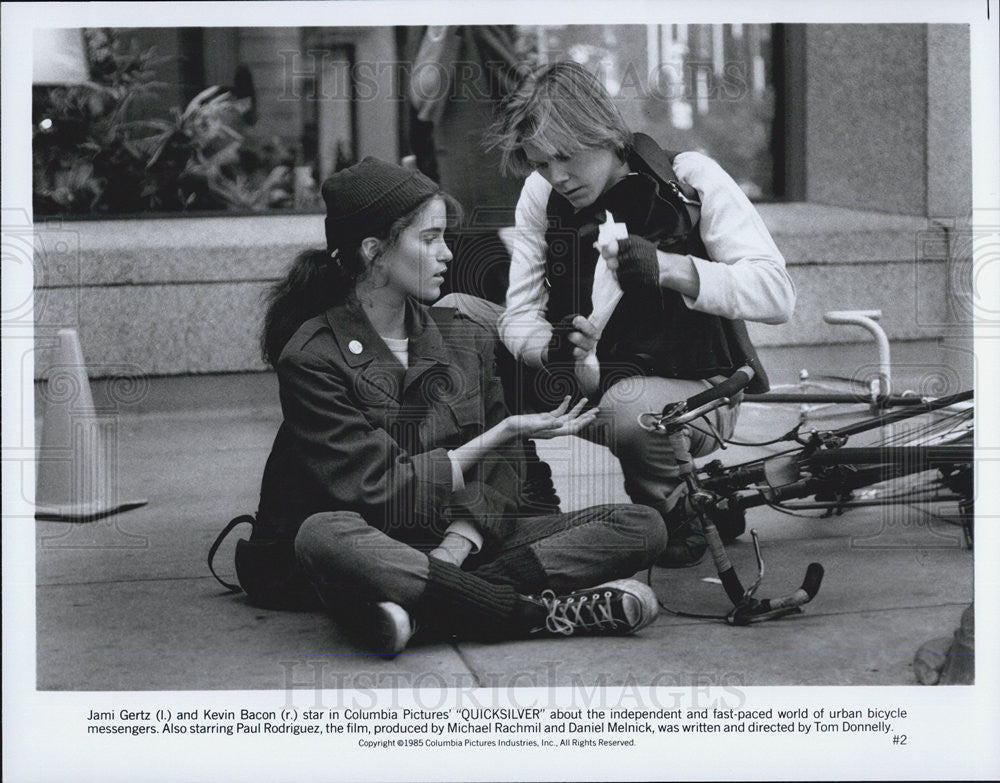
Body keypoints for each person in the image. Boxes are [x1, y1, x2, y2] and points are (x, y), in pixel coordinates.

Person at [244, 157, 666, 656]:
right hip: (371, 541)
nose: (447, 254)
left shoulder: (462, 335)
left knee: (640, 526)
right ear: (374, 252)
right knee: (321, 536)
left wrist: (456, 545)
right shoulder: (312, 356)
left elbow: (503, 473)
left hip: (452, 542)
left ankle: (425, 604)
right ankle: (533, 613)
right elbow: (379, 492)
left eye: (444, 236)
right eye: (429, 239)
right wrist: (501, 432)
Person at [474, 61, 795, 569]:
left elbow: (777, 295)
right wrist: (549, 347)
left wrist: (671, 268)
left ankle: (674, 511)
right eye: (540, 164)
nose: (556, 177)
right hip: (585, 376)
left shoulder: (688, 177)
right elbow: (519, 314)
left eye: (566, 156)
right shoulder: (541, 195)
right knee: (462, 322)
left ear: (603, 134)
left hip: (696, 387)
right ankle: (521, 501)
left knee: (630, 406)